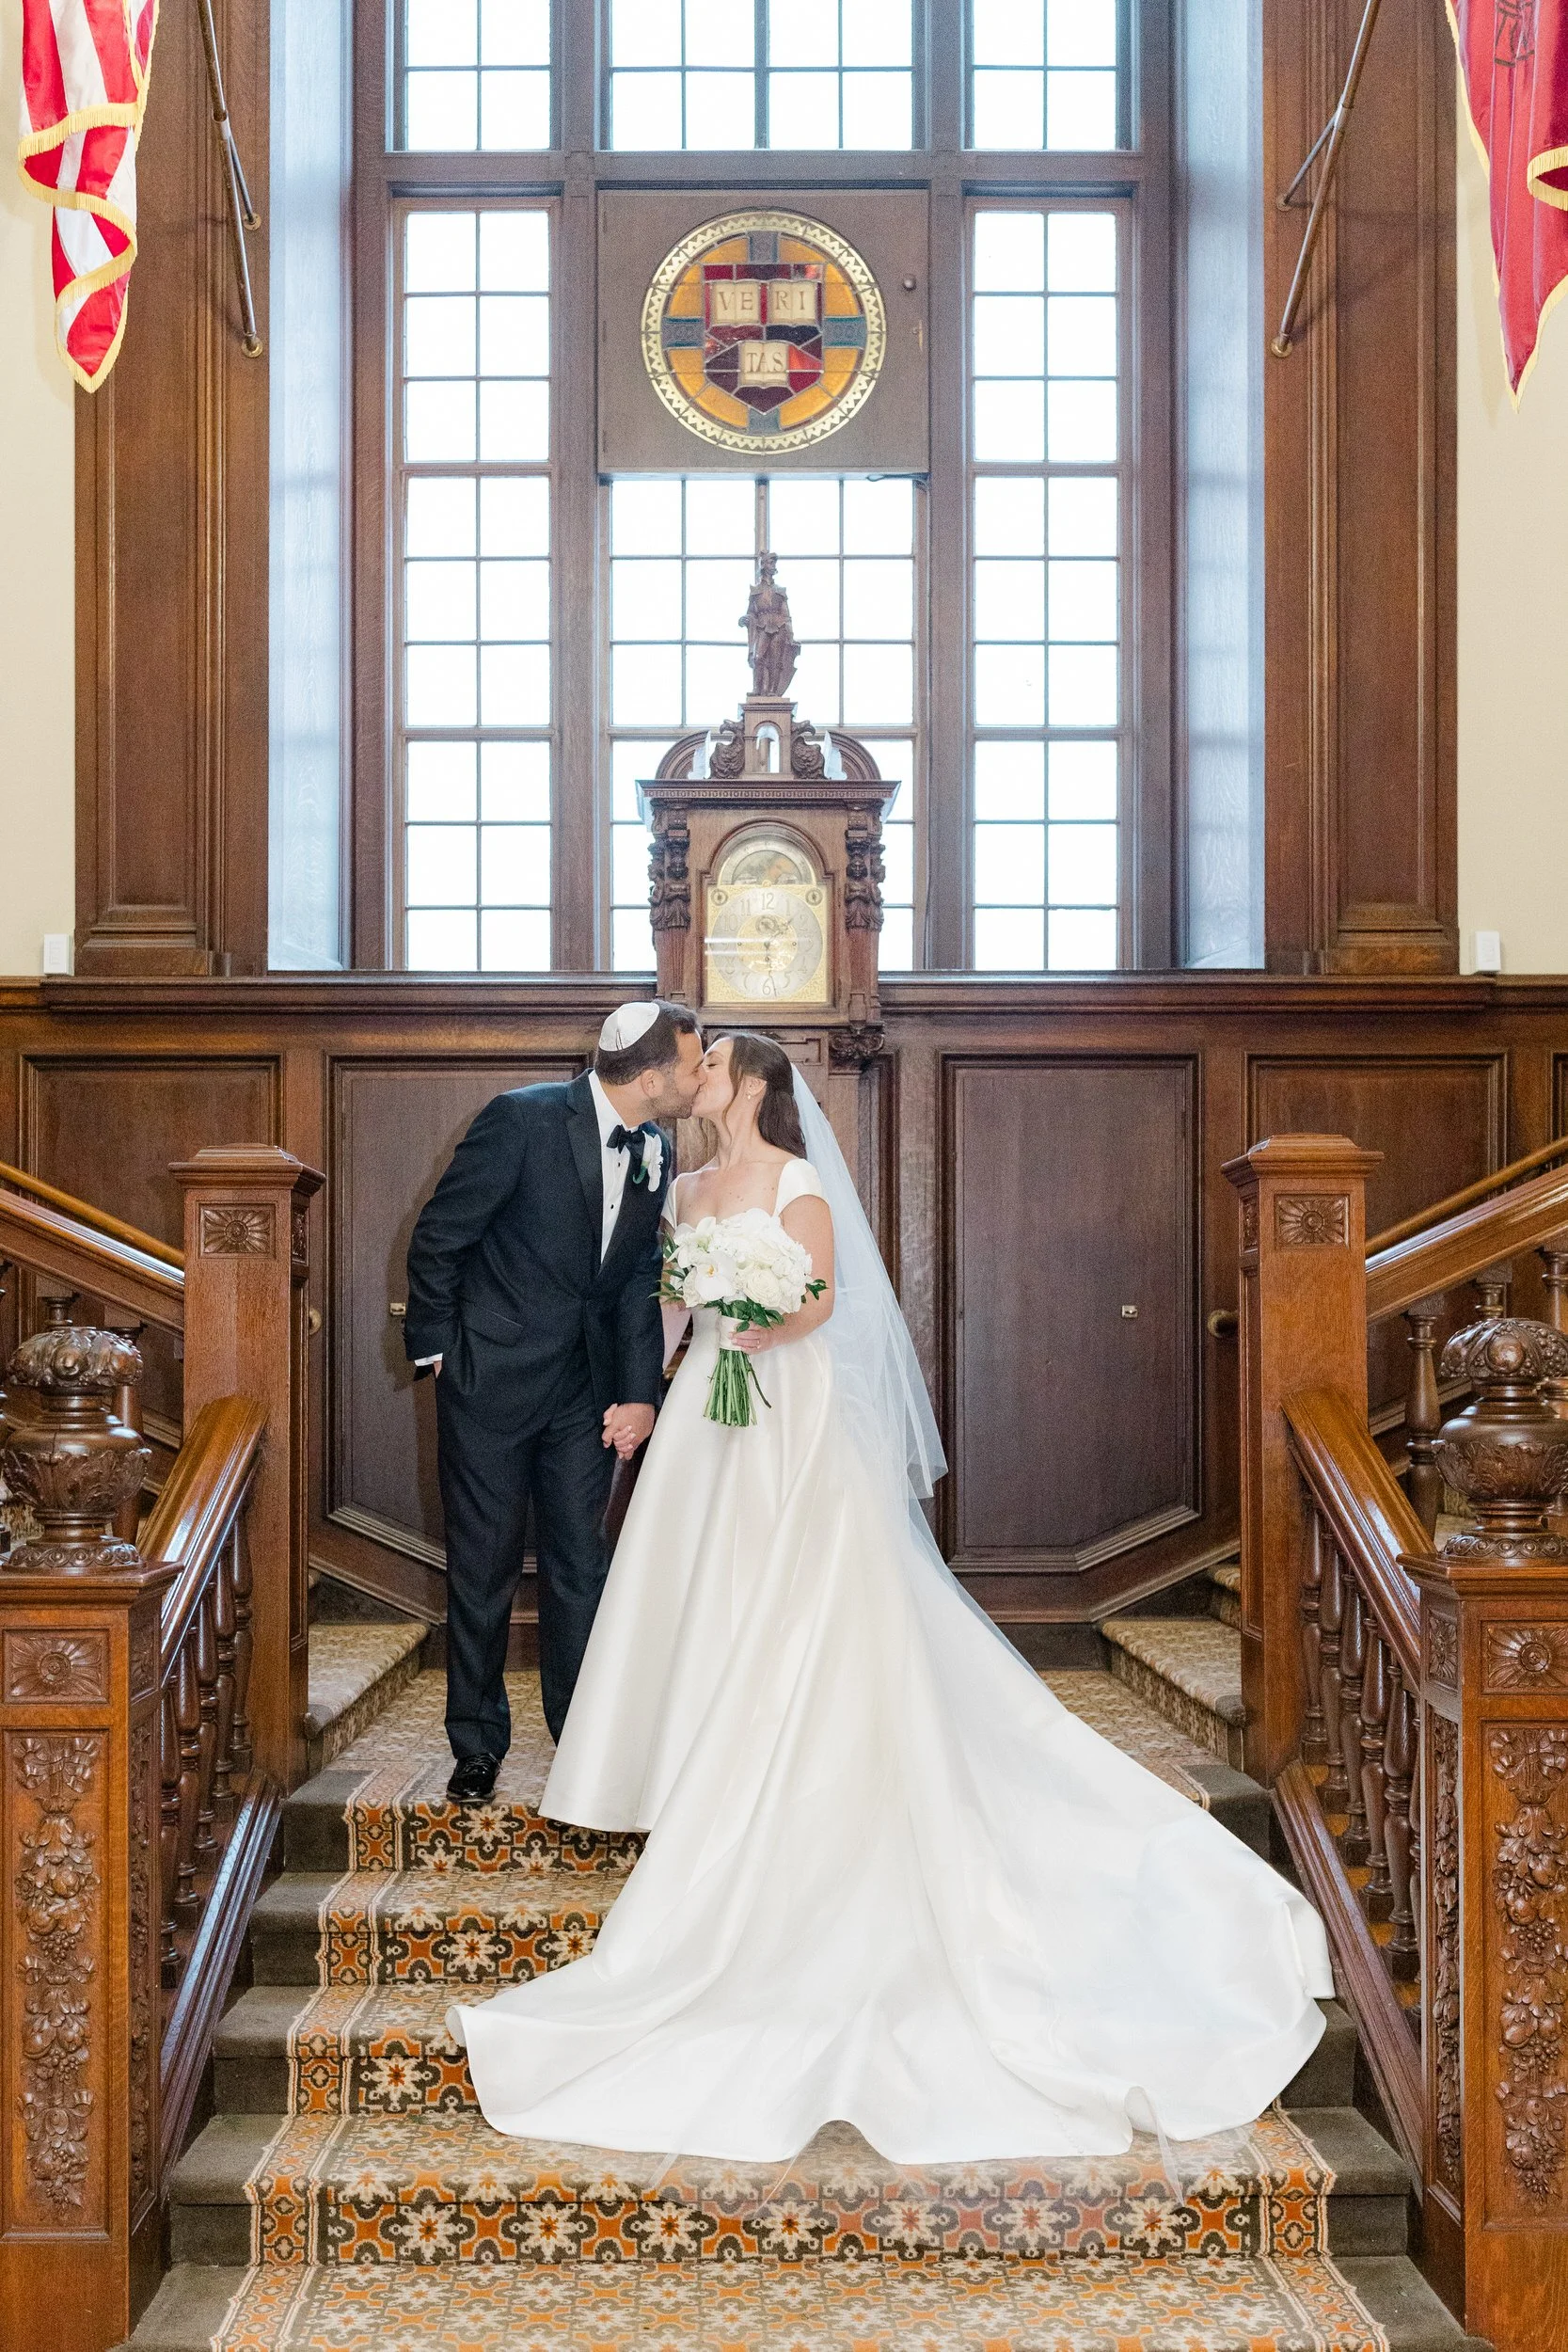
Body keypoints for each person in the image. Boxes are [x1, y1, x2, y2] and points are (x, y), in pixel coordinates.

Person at [448, 1032, 1334, 2165]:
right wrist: (650, 1382)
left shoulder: (796, 1181)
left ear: (750, 1083)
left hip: (786, 1408)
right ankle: (705, 1770)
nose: (695, 1077)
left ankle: (802, 1769)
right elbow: (660, 1307)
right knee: (696, 1595)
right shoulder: (688, 1182)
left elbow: (820, 1300)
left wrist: (755, 1317)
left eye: (711, 1065)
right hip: (706, 1414)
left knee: (801, 1600)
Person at [403, 1000, 704, 1800]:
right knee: (484, 1567)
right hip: (489, 1380)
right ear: (651, 1076)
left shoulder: (657, 1147)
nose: (698, 1077)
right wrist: (439, 1353)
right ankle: (476, 1743)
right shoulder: (522, 1119)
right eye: (690, 1063)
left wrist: (639, 1392)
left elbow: (637, 1278)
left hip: (586, 1392)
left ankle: (582, 1740)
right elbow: (440, 1236)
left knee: (581, 1564)